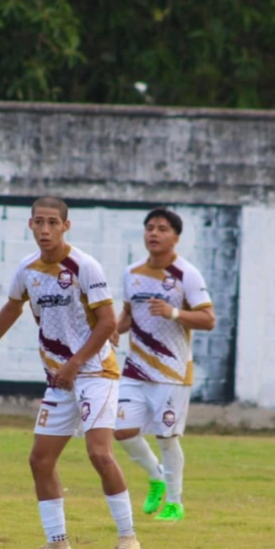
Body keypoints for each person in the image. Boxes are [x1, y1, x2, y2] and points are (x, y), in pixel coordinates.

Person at [0, 196, 140, 549]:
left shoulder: (84, 266)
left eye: (52, 222)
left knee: (99, 454)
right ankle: (58, 546)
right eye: (38, 222)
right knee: (40, 460)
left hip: (95, 373)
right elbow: (13, 307)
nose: (45, 229)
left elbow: (107, 322)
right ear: (30, 225)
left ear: (65, 226)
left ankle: (128, 539)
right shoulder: (27, 269)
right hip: (60, 378)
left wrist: (74, 364)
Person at [112, 208, 216, 522]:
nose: (154, 234)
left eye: (162, 229)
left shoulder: (187, 275)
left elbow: (209, 319)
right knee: (121, 430)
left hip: (172, 373)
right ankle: (156, 476)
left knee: (167, 438)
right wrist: (114, 331)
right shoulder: (131, 273)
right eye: (150, 228)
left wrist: (173, 313)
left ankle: (175, 502)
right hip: (136, 369)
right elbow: (129, 314)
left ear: (176, 237)